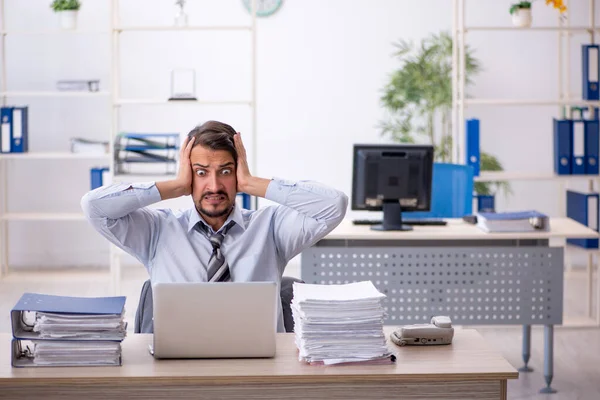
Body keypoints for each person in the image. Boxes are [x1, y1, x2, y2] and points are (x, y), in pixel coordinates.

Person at [81, 120, 348, 332]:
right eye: (201, 172)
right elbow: (94, 207)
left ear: (238, 172)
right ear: (188, 175)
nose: (214, 186)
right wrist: (173, 187)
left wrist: (253, 184)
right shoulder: (157, 230)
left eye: (225, 171)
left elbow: (333, 205)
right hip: (181, 372)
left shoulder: (271, 228)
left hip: (259, 374)